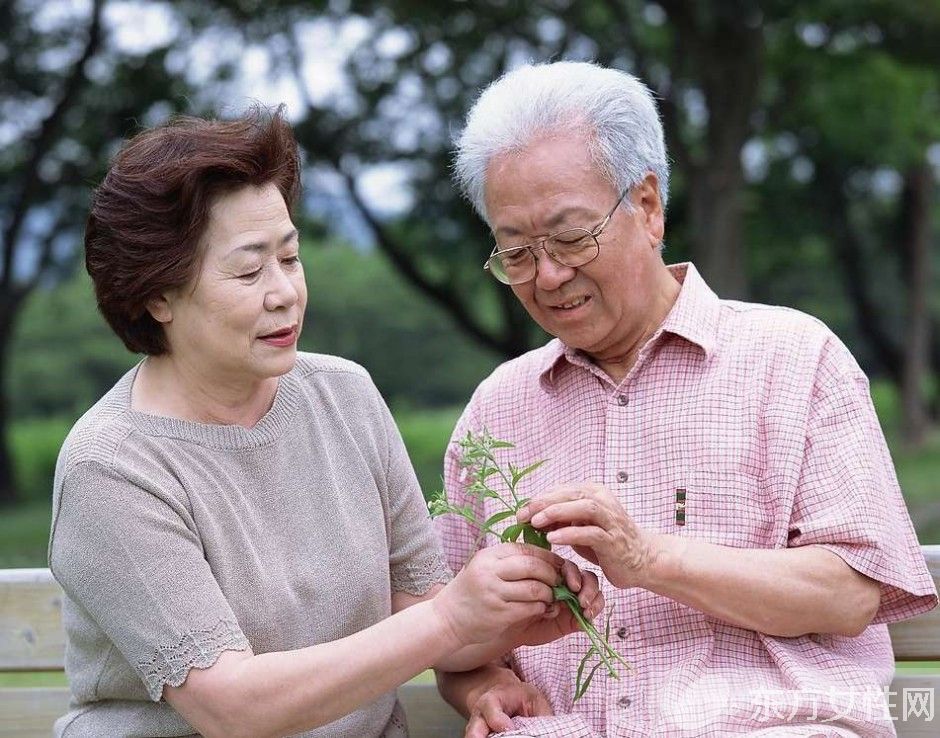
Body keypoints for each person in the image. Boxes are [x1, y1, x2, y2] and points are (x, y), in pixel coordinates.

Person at [48, 107, 604, 738]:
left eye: (290, 257)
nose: (284, 291)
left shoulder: (345, 394)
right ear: (158, 296)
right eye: (249, 269)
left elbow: (421, 610)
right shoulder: (112, 466)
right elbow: (234, 709)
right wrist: (452, 618)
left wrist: (508, 616)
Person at [434, 61, 939, 738]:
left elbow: (850, 593)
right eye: (516, 252)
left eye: (571, 237)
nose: (548, 276)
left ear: (646, 207)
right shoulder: (496, 411)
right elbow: (450, 631)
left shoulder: (793, 359)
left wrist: (650, 561)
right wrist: (482, 685)